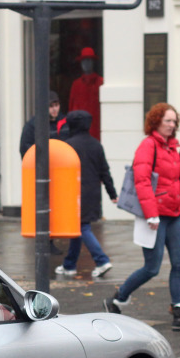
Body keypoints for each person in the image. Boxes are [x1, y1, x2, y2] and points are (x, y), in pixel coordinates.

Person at [103, 104, 180, 331]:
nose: (172, 125)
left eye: (174, 121)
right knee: (152, 267)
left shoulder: (172, 148)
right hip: (155, 217)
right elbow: (142, 181)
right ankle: (118, 298)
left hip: (175, 214)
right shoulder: (148, 146)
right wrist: (151, 214)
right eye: (168, 121)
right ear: (156, 121)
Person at [56, 109, 117, 279]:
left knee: (82, 227)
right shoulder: (96, 144)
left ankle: (102, 260)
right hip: (92, 194)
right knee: (78, 228)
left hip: (73, 194)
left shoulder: (68, 145)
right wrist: (112, 193)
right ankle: (69, 265)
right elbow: (105, 171)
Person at [68, 47, 103, 139]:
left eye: (89, 60)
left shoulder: (101, 83)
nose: (86, 64)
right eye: (83, 61)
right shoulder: (76, 84)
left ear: (93, 62)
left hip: (98, 129)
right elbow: (72, 108)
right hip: (81, 131)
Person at [19, 91, 61, 157]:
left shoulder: (63, 122)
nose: (55, 109)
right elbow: (25, 148)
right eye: (51, 106)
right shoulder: (32, 125)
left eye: (56, 105)